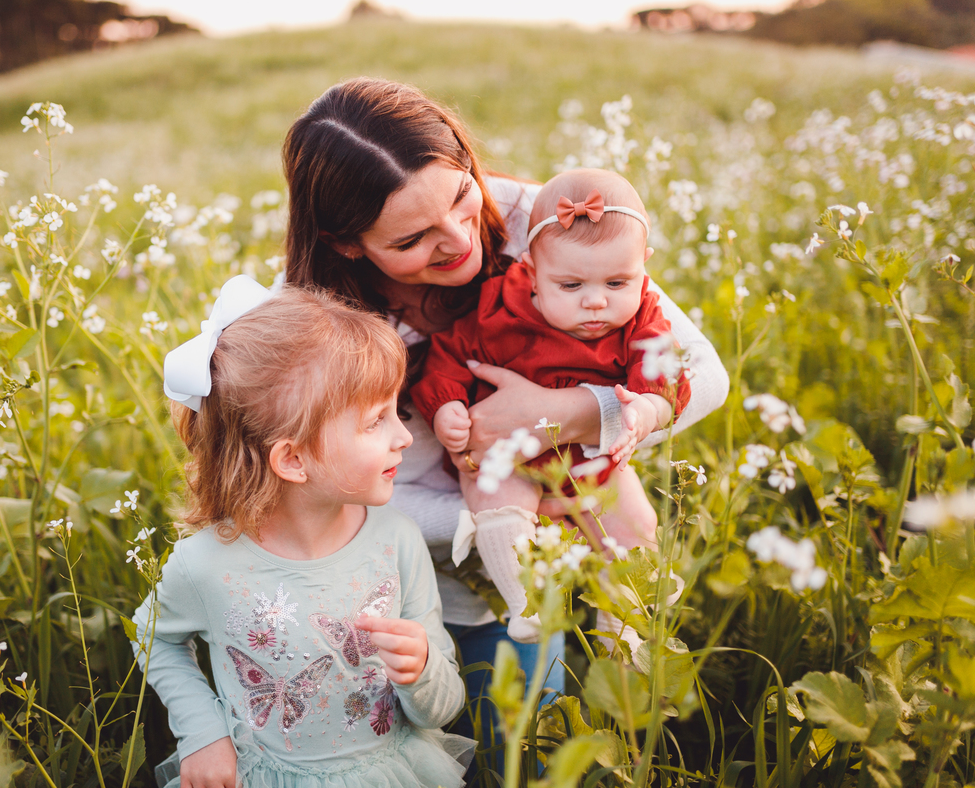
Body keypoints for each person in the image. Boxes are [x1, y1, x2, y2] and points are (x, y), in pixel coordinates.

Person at [282, 77, 728, 744]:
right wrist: (504, 510)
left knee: (539, 740)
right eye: (412, 240)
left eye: (462, 196)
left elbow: (702, 375)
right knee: (450, 750)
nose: (459, 239)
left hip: (556, 527)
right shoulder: (316, 319)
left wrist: (570, 412)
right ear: (347, 243)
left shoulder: (544, 221)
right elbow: (321, 492)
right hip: (411, 574)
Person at [133, 277, 472, 788]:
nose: (404, 436)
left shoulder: (396, 540)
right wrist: (202, 733)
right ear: (292, 459)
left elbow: (440, 709)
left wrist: (422, 668)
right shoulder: (205, 564)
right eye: (376, 420)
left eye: (395, 412)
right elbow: (152, 634)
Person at [410, 168, 690, 643]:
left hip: (593, 457)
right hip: (507, 454)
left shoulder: (641, 315)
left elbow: (665, 379)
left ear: (644, 264)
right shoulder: (499, 306)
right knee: (498, 502)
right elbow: (452, 355)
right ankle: (529, 606)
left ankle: (622, 631)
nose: (597, 303)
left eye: (618, 282)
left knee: (637, 524)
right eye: (572, 286)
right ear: (533, 274)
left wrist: (644, 413)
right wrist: (446, 408)